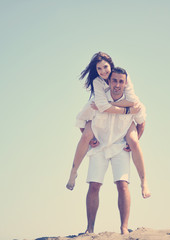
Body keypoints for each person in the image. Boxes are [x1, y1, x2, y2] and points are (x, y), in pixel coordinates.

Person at [66, 52, 150, 199]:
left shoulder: (122, 76)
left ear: (111, 65)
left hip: (118, 116)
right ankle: (73, 172)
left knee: (135, 142)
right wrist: (123, 109)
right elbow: (96, 110)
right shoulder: (98, 82)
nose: (103, 71)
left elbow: (131, 102)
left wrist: (110, 105)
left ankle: (144, 182)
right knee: (86, 135)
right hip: (98, 113)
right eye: (99, 69)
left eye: (105, 67)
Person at [82, 67, 147, 234]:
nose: (117, 84)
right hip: (99, 148)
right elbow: (81, 120)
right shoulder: (98, 101)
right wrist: (90, 138)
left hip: (120, 147)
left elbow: (142, 121)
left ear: (125, 84)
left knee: (123, 185)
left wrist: (134, 140)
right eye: (114, 80)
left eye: (121, 81)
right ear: (109, 81)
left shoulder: (133, 102)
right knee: (94, 185)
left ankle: (124, 228)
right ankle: (90, 229)